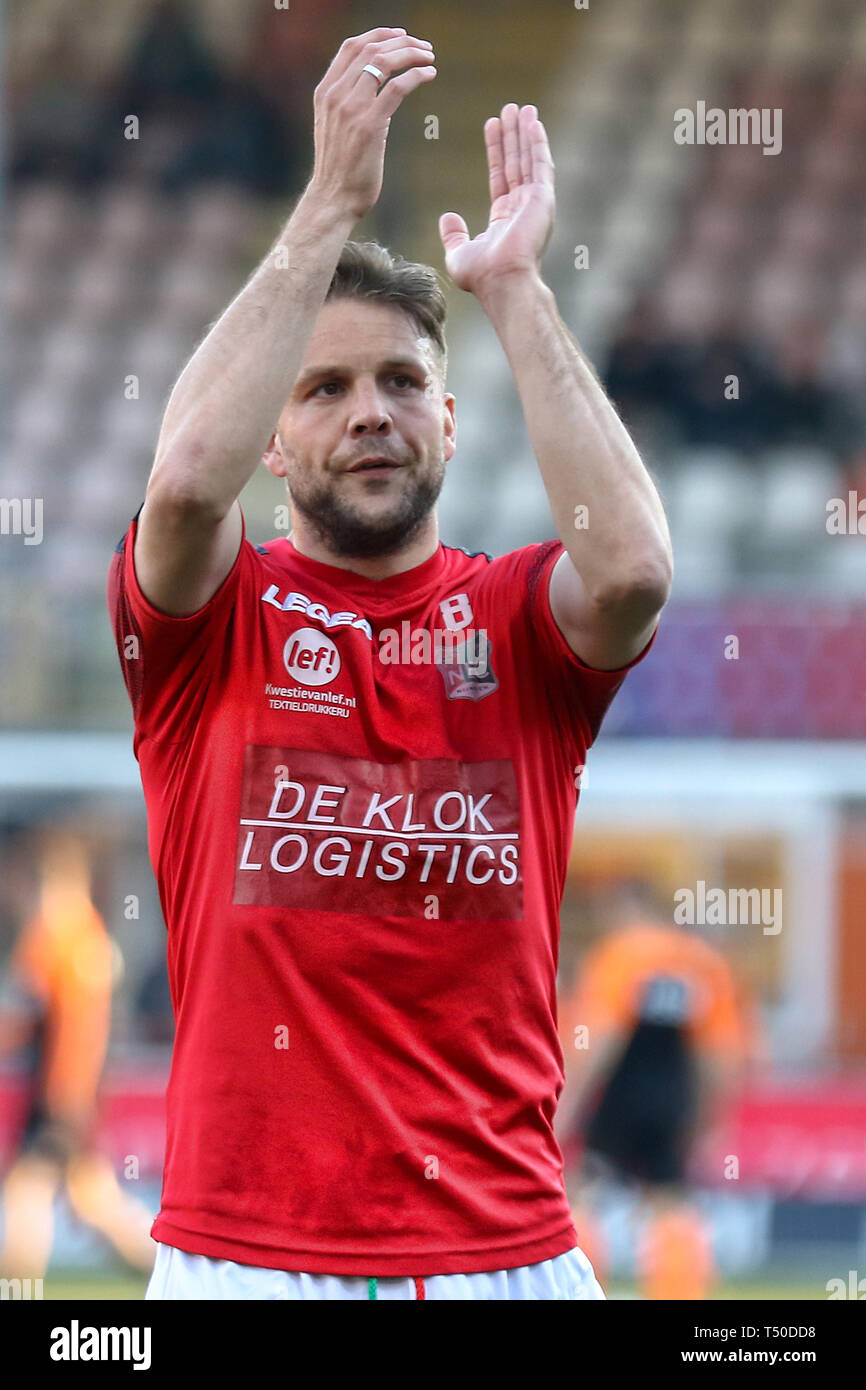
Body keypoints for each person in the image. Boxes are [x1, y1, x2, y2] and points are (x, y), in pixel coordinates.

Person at [107, 27, 672, 1301]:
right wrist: (326, 207)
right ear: (274, 434)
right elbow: (185, 481)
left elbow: (633, 569)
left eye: (401, 382)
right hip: (244, 1257)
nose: (369, 410)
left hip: (505, 1254)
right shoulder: (213, 620)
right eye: (322, 389)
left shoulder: (517, 621)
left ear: (449, 418)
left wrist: (514, 290)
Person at [557, 883, 753, 1300]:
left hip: (618, 1100)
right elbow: (719, 1057)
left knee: (586, 1193)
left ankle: (586, 1291)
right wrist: (707, 1121)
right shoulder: (702, 963)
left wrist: (567, 1109)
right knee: (671, 1201)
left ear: (628, 908)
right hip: (673, 1100)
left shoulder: (621, 953)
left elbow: (597, 1041)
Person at [0, 834, 154, 1280]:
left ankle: (16, 1291)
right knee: (94, 1203)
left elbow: (31, 1020)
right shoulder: (88, 937)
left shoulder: (54, 938)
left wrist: (64, 1096)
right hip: (77, 1088)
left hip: (60, 1092)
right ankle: (158, 1268)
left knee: (25, 1196)